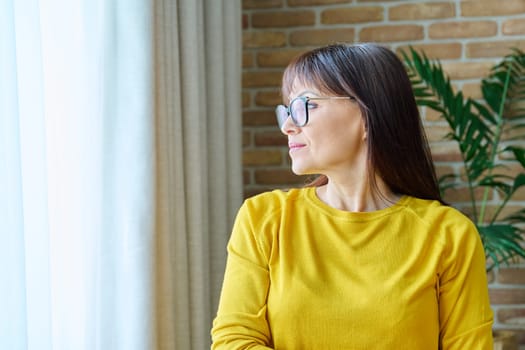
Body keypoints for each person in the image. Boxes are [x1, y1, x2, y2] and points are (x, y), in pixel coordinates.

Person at [211, 43, 493, 349]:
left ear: (367, 115)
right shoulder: (264, 218)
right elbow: (233, 341)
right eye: (287, 110)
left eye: (306, 105)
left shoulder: (449, 234)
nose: (288, 126)